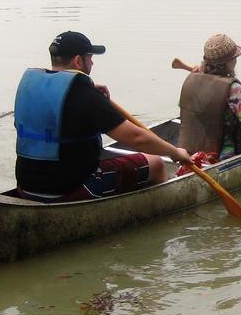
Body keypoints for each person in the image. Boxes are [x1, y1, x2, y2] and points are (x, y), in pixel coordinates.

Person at [14, 30, 193, 201]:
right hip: (70, 189)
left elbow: (63, 110)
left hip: (26, 186)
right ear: (78, 61)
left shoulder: (31, 88)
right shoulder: (86, 96)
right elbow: (136, 138)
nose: (92, 63)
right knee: (156, 164)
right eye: (90, 58)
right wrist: (175, 152)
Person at [178, 33, 241, 165]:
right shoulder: (234, 90)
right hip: (220, 157)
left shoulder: (191, 79)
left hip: (188, 152)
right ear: (231, 61)